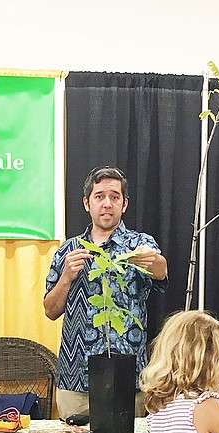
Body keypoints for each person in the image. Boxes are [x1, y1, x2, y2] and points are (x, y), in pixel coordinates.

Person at [44, 166, 168, 419]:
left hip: (127, 378)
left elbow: (161, 270)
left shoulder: (138, 245)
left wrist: (152, 262)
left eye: (114, 197)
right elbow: (50, 310)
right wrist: (66, 276)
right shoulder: (68, 251)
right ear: (87, 204)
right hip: (75, 377)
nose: (107, 204)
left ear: (124, 205)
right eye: (99, 196)